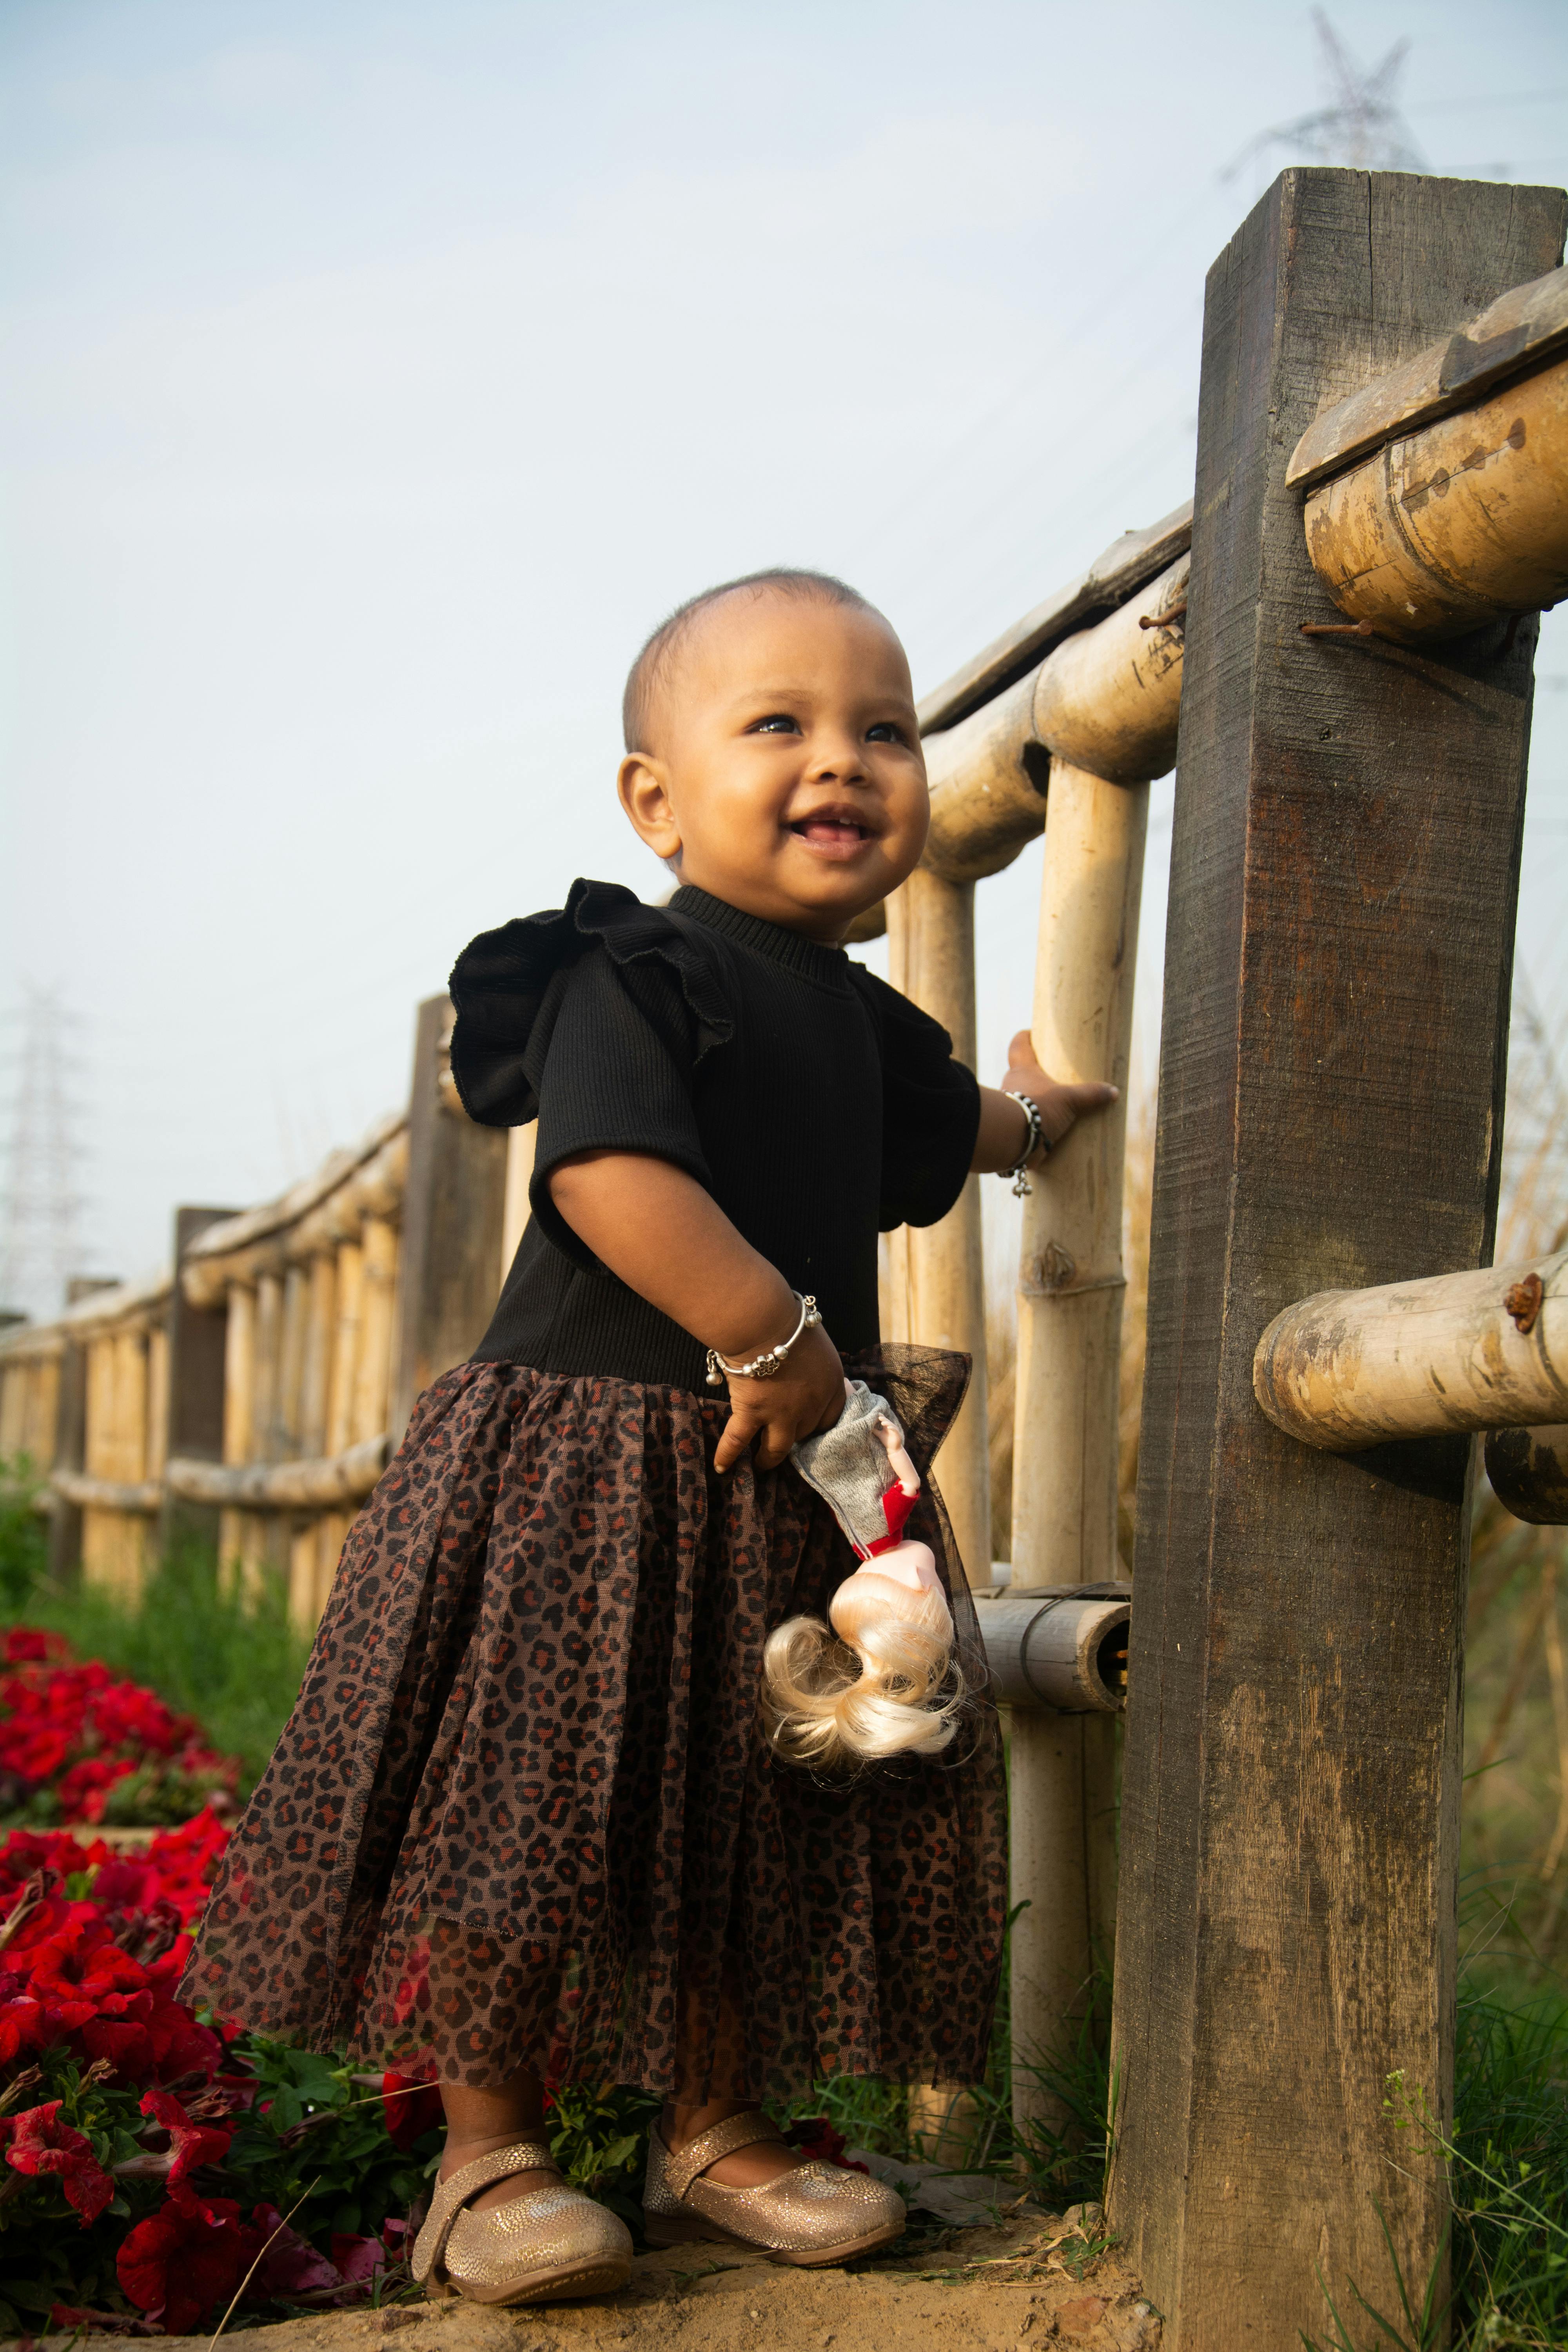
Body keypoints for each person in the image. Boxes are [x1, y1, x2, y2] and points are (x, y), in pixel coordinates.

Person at [181, 567, 1116, 2308]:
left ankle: (717, 2126)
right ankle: (492, 2155)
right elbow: (606, 1174)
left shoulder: (859, 1019)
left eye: (885, 730)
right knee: (533, 1807)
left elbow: (965, 1123)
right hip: (589, 1468)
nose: (843, 761)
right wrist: (774, 1337)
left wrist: (1042, 1109)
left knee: (763, 1801)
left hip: (779, 1475)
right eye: (778, 726)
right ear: (655, 798)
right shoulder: (632, 963)